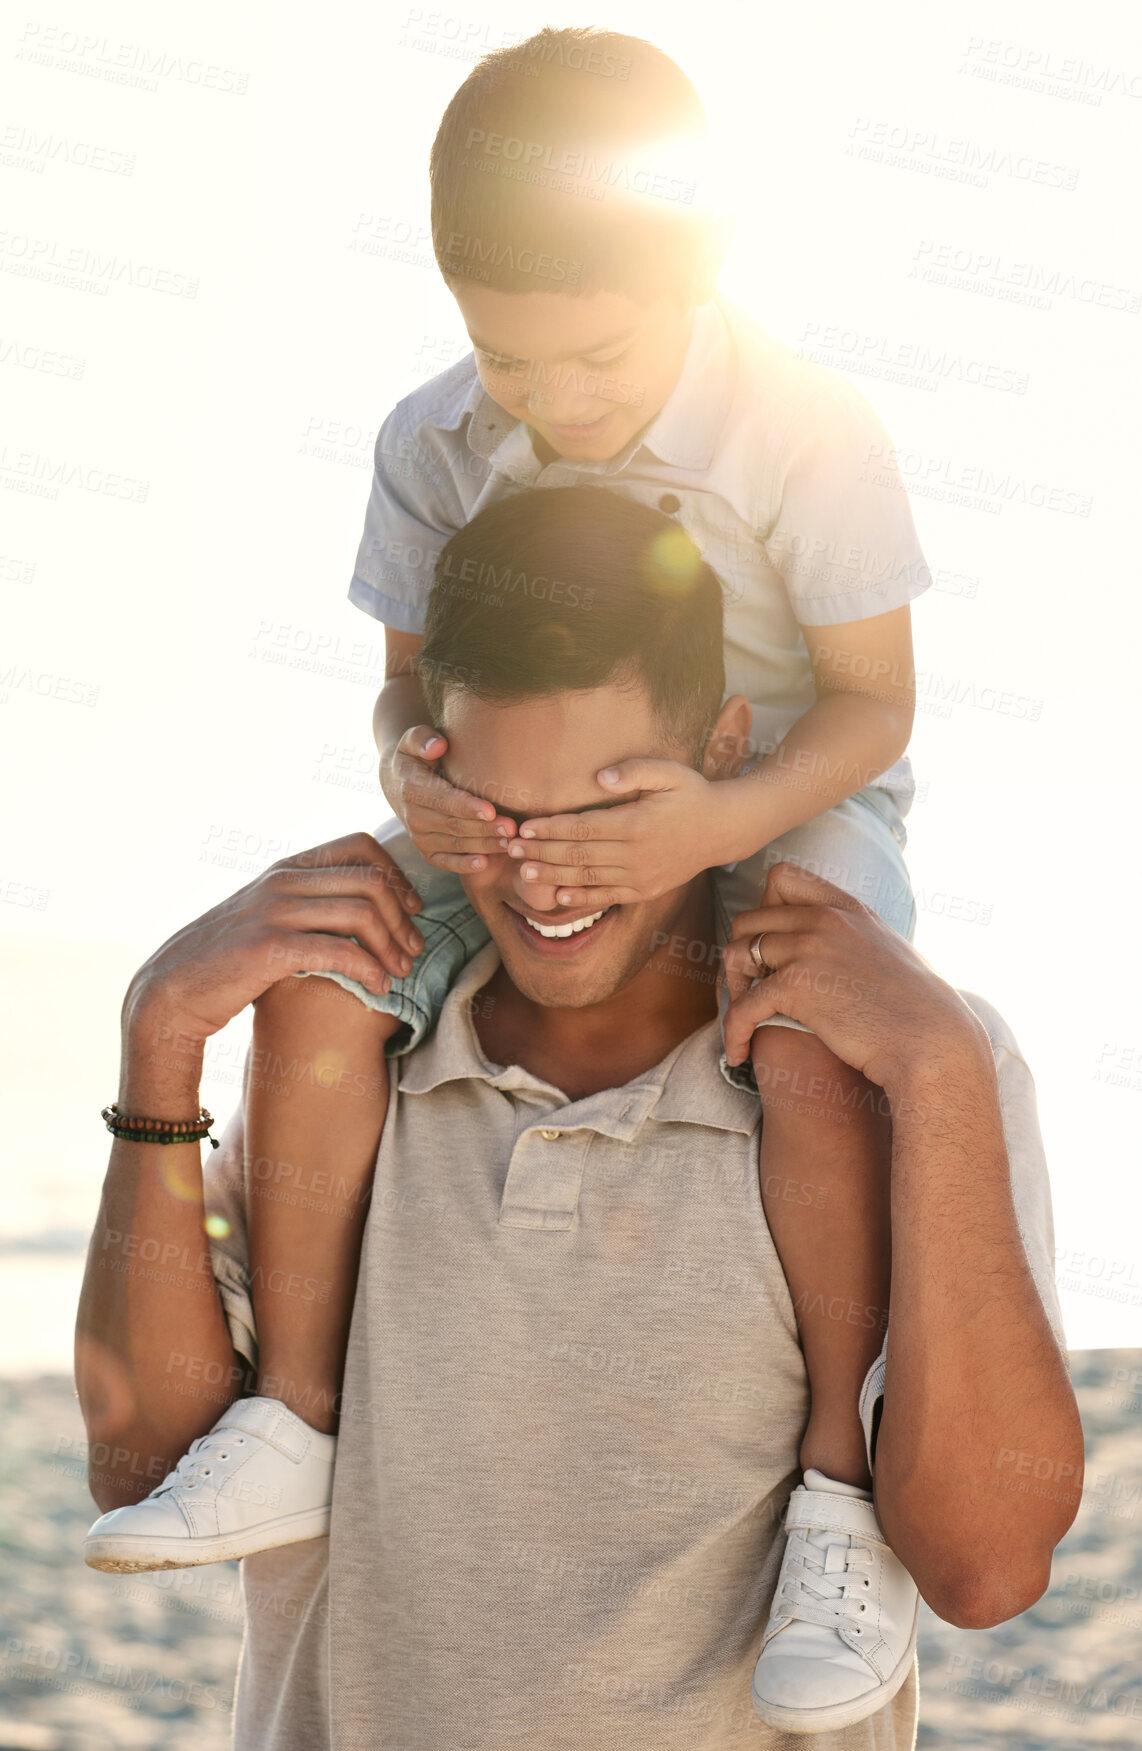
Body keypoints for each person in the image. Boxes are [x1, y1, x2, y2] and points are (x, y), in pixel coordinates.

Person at [76, 486, 1082, 1747]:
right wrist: (161, 1043)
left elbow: (984, 1570)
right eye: (495, 818)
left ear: (724, 753)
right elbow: (139, 1474)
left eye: (601, 809)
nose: (544, 873)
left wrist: (939, 1075)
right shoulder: (337, 1065)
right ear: (427, 777)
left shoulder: (905, 1067)